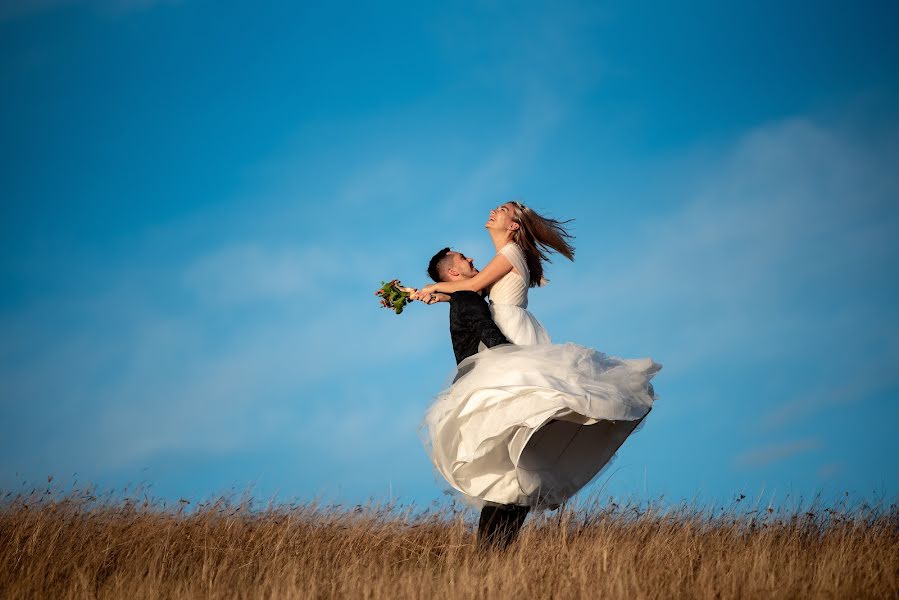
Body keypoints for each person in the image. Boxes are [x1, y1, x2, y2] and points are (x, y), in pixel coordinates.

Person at [415, 202, 661, 545]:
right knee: (515, 426)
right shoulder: (500, 260)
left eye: (502, 210)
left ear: (514, 226)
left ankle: (508, 509)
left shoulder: (512, 252)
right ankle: (506, 512)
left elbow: (472, 288)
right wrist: (431, 295)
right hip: (508, 334)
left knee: (528, 404)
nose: (493, 212)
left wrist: (430, 290)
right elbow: (473, 291)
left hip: (513, 338)